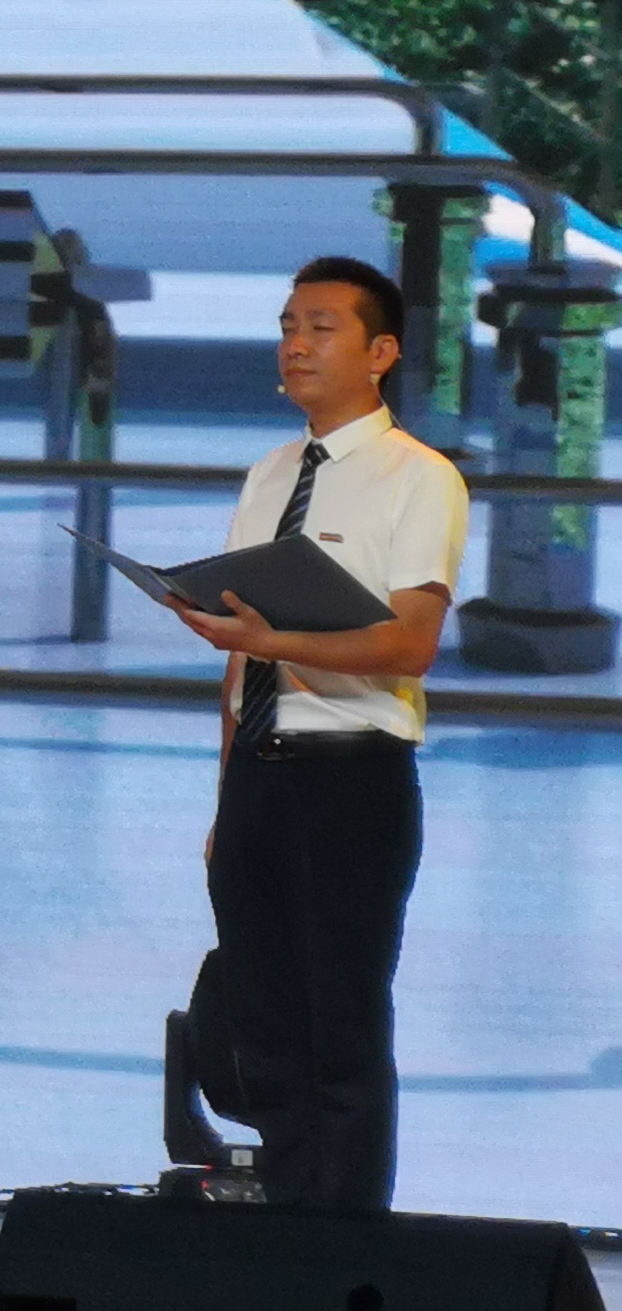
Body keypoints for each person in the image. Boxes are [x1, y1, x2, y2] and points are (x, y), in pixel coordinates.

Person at [168, 255, 463, 1215]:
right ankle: (288, 1244)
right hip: (259, 779)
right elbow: (239, 659)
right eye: (288, 326)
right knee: (265, 1033)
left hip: (352, 781)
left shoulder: (421, 478)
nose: (296, 345)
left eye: (321, 328)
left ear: (381, 353)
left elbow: (409, 643)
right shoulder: (268, 475)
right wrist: (227, 797)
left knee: (343, 1032)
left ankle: (346, 1253)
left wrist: (273, 642)